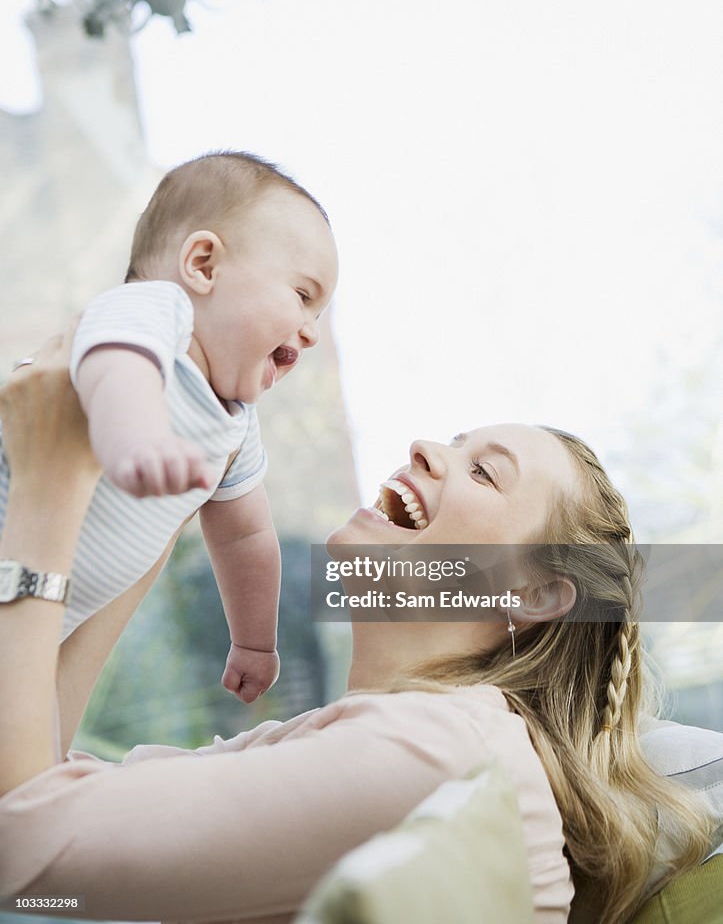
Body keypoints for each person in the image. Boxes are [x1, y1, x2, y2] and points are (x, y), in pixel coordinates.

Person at [0, 338, 714, 924]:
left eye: (484, 473)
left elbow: (20, 847)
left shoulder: (434, 753)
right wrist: (155, 517)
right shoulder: (391, 736)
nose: (426, 447)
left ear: (532, 594)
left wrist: (49, 487)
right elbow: (48, 784)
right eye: (455, 441)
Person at [0, 151, 339, 704]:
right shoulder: (154, 314)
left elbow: (248, 537)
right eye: (303, 296)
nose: (311, 333)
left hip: (39, 620)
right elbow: (117, 371)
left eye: (319, 316)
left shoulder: (235, 425)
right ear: (203, 264)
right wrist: (136, 440)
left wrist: (254, 643)